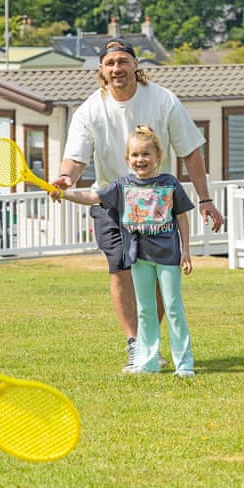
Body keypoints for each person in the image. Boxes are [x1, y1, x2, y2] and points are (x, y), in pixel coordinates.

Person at [52, 38, 223, 372]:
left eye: (122, 61)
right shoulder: (89, 110)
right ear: (101, 71)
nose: (117, 68)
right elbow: (74, 159)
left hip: (154, 202)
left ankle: (150, 343)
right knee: (120, 269)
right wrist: (64, 180)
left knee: (157, 276)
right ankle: (136, 345)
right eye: (110, 63)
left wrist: (205, 199)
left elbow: (190, 150)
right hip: (111, 200)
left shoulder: (163, 100)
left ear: (135, 66)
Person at [53, 125, 195, 376]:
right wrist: (64, 194)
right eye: (135, 155)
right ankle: (147, 362)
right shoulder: (121, 186)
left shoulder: (169, 183)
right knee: (146, 310)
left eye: (146, 154)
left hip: (169, 258)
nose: (141, 160)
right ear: (127, 159)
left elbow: (182, 217)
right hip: (138, 257)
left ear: (157, 157)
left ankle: (184, 365)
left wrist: (186, 251)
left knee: (173, 308)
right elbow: (92, 196)